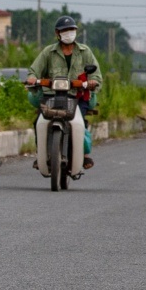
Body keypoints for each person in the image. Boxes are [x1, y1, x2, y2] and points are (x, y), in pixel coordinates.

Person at [29, 15, 102, 173]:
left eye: (72, 30)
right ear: (58, 33)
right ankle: (41, 154)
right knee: (38, 122)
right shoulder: (48, 52)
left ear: (76, 31)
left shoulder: (84, 51)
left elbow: (97, 76)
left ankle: (84, 154)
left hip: (77, 96)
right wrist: (32, 79)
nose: (69, 33)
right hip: (51, 95)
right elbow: (33, 70)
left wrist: (91, 82)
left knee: (80, 122)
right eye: (65, 30)